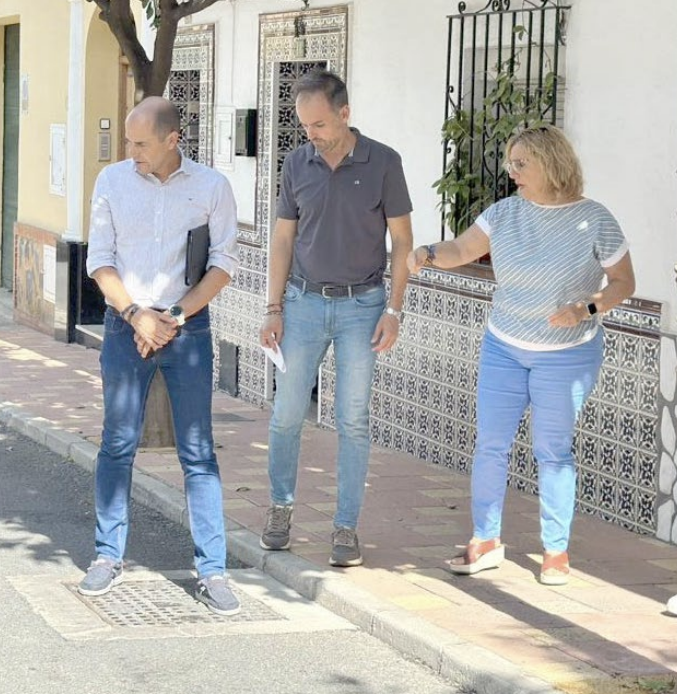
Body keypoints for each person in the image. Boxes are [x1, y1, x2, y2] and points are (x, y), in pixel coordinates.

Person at [407, 124, 635, 585]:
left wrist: (587, 307)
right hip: (503, 346)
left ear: (551, 163)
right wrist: (429, 252)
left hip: (567, 354)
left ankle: (556, 551)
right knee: (490, 445)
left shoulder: (595, 219)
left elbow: (625, 283)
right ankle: (485, 539)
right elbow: (463, 248)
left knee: (553, 451)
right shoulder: (504, 213)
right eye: (510, 163)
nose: (511, 172)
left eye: (520, 163)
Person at [81, 97, 241, 615]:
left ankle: (213, 570)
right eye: (129, 142)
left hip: (186, 329)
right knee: (117, 443)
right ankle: (107, 556)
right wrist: (135, 316)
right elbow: (99, 260)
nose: (131, 153)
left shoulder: (212, 187)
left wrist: (171, 315)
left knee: (198, 450)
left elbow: (223, 264)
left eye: (141, 143)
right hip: (125, 324)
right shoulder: (112, 182)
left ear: (173, 140)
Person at [258, 71, 413, 567]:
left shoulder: (384, 162)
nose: (312, 134)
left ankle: (345, 527)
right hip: (302, 304)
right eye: (305, 125)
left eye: (320, 124)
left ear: (345, 114)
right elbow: (283, 238)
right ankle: (281, 508)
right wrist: (273, 306)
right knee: (285, 417)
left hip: (362, 307)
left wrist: (394, 309)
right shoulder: (296, 163)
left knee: (352, 419)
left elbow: (403, 242)